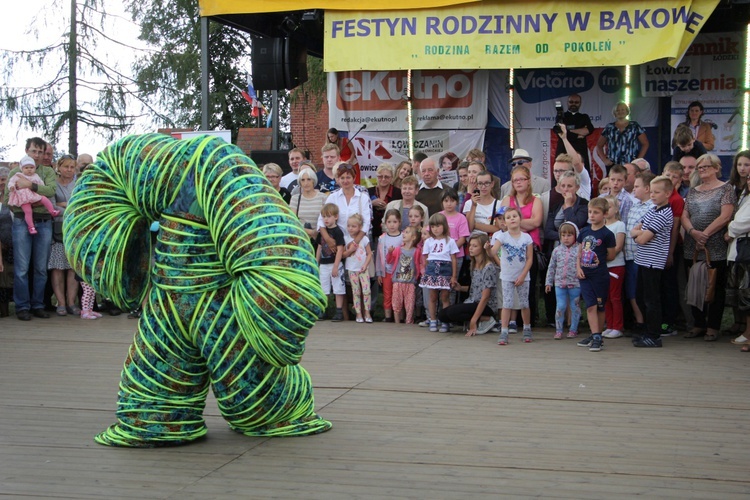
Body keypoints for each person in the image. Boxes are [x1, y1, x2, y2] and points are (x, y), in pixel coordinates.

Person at [681, 153, 736, 341]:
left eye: (705, 166)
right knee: (695, 284)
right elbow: (684, 215)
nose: (702, 170)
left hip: (715, 246)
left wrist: (705, 234)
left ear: (716, 168)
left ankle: (713, 327)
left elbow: (725, 216)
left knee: (715, 287)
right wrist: (693, 232)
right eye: (700, 167)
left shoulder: (726, 188)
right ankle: (698, 324)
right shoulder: (693, 190)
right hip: (692, 245)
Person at [4, 138, 57, 321]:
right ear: (27, 150)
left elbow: (50, 191)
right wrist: (27, 206)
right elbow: (7, 199)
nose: (37, 155)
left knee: (41, 267)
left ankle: (38, 304)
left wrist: (31, 186)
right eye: (34, 151)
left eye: (40, 152)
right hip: (21, 222)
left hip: (43, 222)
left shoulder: (47, 171)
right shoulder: (15, 171)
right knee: (22, 267)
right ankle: (22, 306)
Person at [630, 176, 675, 348]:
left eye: (657, 192)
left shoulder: (664, 213)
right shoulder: (653, 210)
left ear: (667, 193)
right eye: (652, 191)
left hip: (652, 262)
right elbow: (635, 229)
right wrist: (639, 234)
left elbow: (641, 238)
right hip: (642, 260)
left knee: (651, 300)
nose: (653, 195)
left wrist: (639, 234)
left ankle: (654, 335)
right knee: (641, 297)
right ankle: (647, 331)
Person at [500, 165, 544, 327]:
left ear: (528, 181)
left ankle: (528, 321)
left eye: (521, 179)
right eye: (515, 180)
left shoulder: (536, 200)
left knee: (528, 285)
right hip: (510, 248)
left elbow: (536, 222)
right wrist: (521, 223)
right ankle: (511, 320)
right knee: (509, 284)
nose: (518, 183)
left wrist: (514, 223)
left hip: (529, 247)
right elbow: (502, 223)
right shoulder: (507, 200)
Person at [575, 198, 616, 352]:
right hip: (585, 275)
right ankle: (596, 335)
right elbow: (579, 252)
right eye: (590, 212)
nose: (592, 215)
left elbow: (611, 255)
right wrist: (578, 268)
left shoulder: (607, 234)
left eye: (596, 212)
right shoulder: (584, 231)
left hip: (600, 275)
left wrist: (596, 260)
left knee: (600, 305)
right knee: (590, 305)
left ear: (605, 214)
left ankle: (596, 335)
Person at [438, 233, 498, 336]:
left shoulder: (488, 267)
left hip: (486, 305)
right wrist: (460, 288)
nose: (471, 248)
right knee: (442, 315)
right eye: (470, 245)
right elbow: (475, 288)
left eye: (475, 246)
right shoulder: (474, 264)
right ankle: (478, 319)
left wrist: (473, 321)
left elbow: (485, 296)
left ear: (483, 248)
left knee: (452, 313)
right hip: (472, 301)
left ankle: (487, 319)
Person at [490, 207, 534, 345]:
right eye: (508, 217)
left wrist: (523, 275)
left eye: (514, 216)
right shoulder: (502, 236)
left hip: (523, 276)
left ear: (520, 218)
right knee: (507, 304)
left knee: (524, 303)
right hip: (507, 276)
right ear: (504, 223)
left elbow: (530, 259)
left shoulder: (526, 237)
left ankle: (527, 328)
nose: (512, 219)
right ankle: (504, 331)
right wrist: (487, 249)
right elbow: (493, 252)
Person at [47, 155, 80, 316]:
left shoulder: (79, 184)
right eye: (66, 166)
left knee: (72, 267)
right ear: (59, 167)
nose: (69, 170)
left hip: (75, 230)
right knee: (58, 267)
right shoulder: (52, 183)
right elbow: (51, 208)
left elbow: (82, 204)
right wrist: (70, 207)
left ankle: (71, 302)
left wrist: (63, 205)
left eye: (72, 167)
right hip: (56, 229)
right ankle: (60, 302)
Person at [624, 171, 655, 336]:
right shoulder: (634, 205)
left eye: (637, 186)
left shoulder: (652, 207)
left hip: (642, 256)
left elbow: (642, 231)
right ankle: (639, 321)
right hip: (629, 255)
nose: (634, 189)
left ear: (647, 188)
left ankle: (646, 323)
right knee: (631, 291)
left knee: (642, 292)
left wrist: (636, 233)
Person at [659, 162, 688, 336]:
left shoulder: (676, 199)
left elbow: (675, 228)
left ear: (680, 179)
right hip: (656, 247)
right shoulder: (657, 195)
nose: (670, 179)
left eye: (674, 176)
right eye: (667, 175)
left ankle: (669, 322)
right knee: (659, 286)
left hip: (670, 247)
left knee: (669, 285)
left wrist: (670, 253)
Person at [725, 150, 750, 350]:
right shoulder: (738, 191)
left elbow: (742, 222)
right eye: (740, 165)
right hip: (739, 249)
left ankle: (748, 332)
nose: (743, 171)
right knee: (740, 291)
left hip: (744, 246)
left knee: (746, 291)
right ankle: (741, 326)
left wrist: (731, 230)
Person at [420, 213, 459, 333]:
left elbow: (453, 259)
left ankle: (445, 320)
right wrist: (427, 272)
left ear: (445, 226)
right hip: (432, 269)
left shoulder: (450, 241)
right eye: (433, 226)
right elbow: (425, 257)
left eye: (438, 226)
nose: (436, 229)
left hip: (445, 269)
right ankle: (432, 319)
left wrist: (453, 276)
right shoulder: (428, 241)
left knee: (445, 297)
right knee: (432, 297)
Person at [545, 221, 581, 339]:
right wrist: (548, 282)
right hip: (560, 284)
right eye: (563, 235)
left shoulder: (579, 249)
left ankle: (573, 329)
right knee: (560, 306)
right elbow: (551, 267)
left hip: (575, 283)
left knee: (575, 306)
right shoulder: (557, 250)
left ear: (575, 235)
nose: (566, 238)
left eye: (569, 235)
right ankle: (559, 329)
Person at [7, 156, 61, 234]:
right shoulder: (18, 175)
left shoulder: (35, 176)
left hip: (33, 195)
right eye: (26, 168)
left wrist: (40, 188)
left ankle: (52, 211)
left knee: (44, 199)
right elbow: (11, 182)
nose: (29, 169)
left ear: (34, 168)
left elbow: (41, 185)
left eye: (31, 167)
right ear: (22, 168)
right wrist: (12, 187)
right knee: (28, 211)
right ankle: (31, 227)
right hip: (23, 197)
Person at [316, 203, 346, 322]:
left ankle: (339, 311)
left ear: (336, 217)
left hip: (335, 263)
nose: (326, 219)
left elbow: (340, 249)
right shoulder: (322, 233)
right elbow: (319, 247)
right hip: (323, 264)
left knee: (338, 287)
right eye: (324, 217)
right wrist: (316, 262)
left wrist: (336, 266)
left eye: (328, 216)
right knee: (324, 288)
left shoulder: (338, 231)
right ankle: (323, 310)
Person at [602, 196, 626, 340]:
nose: (606, 210)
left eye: (609, 207)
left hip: (615, 266)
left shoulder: (619, 225)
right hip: (603, 267)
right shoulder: (601, 225)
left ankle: (618, 326)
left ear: (616, 209)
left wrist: (603, 256)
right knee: (606, 298)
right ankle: (609, 325)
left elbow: (618, 246)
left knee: (615, 297)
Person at [596, 102, 649, 168]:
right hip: (613, 164)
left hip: (631, 163)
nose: (620, 112)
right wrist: (605, 160)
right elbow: (599, 145)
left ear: (627, 111)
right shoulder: (609, 127)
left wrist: (638, 160)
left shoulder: (634, 126)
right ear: (614, 113)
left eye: (622, 110)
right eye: (617, 110)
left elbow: (645, 143)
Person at [343, 214, 373, 324]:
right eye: (349, 226)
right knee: (355, 291)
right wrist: (350, 250)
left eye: (354, 226)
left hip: (363, 269)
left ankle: (367, 312)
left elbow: (369, 254)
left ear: (359, 227)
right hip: (352, 268)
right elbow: (343, 254)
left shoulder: (364, 239)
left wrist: (365, 265)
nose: (350, 228)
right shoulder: (346, 239)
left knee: (366, 290)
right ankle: (358, 313)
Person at [555, 93, 594, 173]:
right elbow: (560, 132)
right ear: (567, 103)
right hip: (564, 149)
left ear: (580, 103)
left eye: (576, 102)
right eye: (571, 102)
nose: (573, 104)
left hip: (580, 150)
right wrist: (578, 134)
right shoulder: (561, 116)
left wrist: (568, 131)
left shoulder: (584, 117)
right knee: (562, 173)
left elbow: (589, 129)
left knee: (581, 173)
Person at [376, 209, 403, 322]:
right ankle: (388, 316)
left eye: (395, 222)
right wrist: (379, 272)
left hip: (399, 271)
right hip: (386, 271)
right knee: (387, 294)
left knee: (399, 295)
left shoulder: (403, 237)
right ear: (385, 223)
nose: (392, 225)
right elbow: (378, 256)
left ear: (399, 222)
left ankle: (400, 317)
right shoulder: (382, 238)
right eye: (389, 222)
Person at [390, 225, 421, 324]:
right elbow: (390, 260)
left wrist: (418, 275)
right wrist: (390, 253)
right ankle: (397, 323)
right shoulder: (398, 250)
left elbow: (420, 264)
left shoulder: (417, 251)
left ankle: (409, 322)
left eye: (407, 232)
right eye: (404, 232)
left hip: (410, 282)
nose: (404, 233)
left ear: (413, 237)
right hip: (398, 281)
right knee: (396, 303)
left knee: (410, 304)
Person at [289, 167, 327, 244]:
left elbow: (327, 219)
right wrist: (309, 232)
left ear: (314, 181)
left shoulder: (323, 197)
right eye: (303, 180)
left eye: (309, 179)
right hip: (301, 239)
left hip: (320, 239)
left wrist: (316, 233)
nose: (306, 183)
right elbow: (292, 221)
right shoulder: (295, 198)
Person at [368, 163, 401, 243]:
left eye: (386, 177)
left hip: (391, 232)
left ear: (392, 178)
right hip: (372, 232)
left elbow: (401, 211)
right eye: (380, 176)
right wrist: (371, 203)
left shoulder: (398, 193)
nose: (383, 179)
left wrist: (388, 207)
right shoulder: (369, 191)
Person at [463, 170, 501, 237]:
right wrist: (474, 206)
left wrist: (475, 224)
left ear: (492, 184)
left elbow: (497, 228)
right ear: (476, 185)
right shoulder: (469, 203)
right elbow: (469, 228)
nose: (483, 187)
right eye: (480, 183)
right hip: (473, 243)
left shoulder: (498, 204)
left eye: (487, 183)